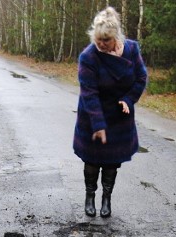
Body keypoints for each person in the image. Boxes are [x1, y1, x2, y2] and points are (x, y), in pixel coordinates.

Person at [73, 6, 148, 218]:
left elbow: (141, 78)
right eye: (98, 39)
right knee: (92, 159)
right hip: (93, 113)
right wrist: (98, 125)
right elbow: (89, 93)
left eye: (106, 40)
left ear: (115, 36)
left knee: (111, 161)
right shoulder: (88, 57)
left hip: (118, 116)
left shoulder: (132, 50)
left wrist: (128, 99)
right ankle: (90, 196)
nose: (101, 44)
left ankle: (106, 198)